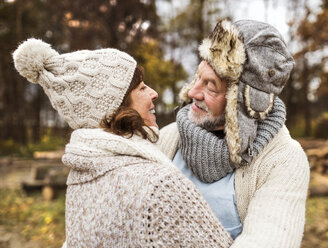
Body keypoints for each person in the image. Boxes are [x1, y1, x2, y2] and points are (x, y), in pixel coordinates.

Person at [13, 38, 233, 247]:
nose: (154, 93)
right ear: (117, 108)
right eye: (142, 88)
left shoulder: (80, 176)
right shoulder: (160, 186)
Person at [158, 19, 310, 247]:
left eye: (210, 85)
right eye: (197, 77)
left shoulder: (283, 160)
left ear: (242, 103)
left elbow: (268, 240)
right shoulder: (168, 138)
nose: (193, 92)